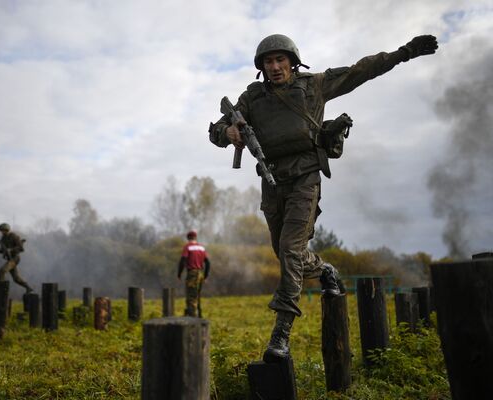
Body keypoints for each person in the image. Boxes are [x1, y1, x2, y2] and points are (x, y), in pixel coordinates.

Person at [208, 34, 438, 362]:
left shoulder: (314, 85)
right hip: (272, 183)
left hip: (306, 178)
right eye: (268, 62)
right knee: (287, 253)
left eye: (280, 60)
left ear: (292, 61)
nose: (275, 67)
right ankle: (325, 269)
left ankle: (281, 332)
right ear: (262, 67)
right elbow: (217, 129)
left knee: (289, 249)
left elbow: (363, 70)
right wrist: (227, 133)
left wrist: (405, 52)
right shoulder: (252, 98)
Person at [177, 230, 211, 317]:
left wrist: (179, 273)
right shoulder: (202, 248)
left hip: (192, 273)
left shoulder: (188, 247)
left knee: (191, 297)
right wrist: (205, 275)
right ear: (196, 237)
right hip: (200, 273)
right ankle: (200, 315)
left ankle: (192, 320)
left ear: (188, 238)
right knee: (197, 295)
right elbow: (208, 262)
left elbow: (183, 260)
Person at [0, 223, 33, 293]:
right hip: (9, 259)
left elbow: (21, 248)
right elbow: (1, 250)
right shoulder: (3, 239)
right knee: (16, 278)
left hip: (15, 258)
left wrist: (11, 250)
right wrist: (1, 249)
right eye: (1, 230)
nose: (2, 232)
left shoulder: (14, 236)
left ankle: (1, 289)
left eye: (3, 230)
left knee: (2, 271)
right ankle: (28, 287)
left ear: (7, 230)